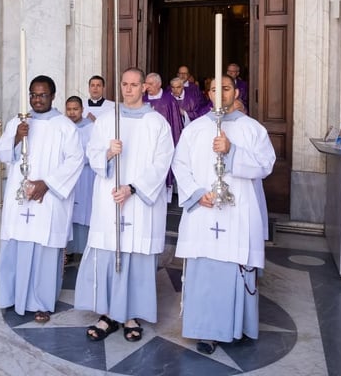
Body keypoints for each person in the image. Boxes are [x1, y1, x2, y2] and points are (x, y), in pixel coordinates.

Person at [172, 75, 276, 355]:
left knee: (233, 267)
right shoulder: (194, 129)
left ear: (236, 91)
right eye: (216, 89)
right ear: (208, 93)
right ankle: (203, 329)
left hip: (238, 213)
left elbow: (265, 165)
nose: (221, 93)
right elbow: (180, 164)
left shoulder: (252, 129)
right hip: (203, 212)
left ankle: (236, 326)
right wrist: (195, 193)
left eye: (226, 88)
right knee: (204, 269)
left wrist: (232, 152)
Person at [74, 67, 174, 343]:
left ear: (144, 87)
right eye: (124, 84)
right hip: (109, 197)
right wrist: (107, 152)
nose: (128, 89)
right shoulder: (107, 120)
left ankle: (132, 314)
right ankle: (107, 313)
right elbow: (92, 152)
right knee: (108, 253)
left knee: (135, 256)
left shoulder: (157, 123)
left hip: (139, 202)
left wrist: (132, 188)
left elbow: (162, 162)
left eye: (134, 84)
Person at [0, 75, 84, 323]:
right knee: (16, 245)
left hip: (49, 199)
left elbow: (75, 161)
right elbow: (1, 152)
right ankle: (11, 296)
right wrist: (16, 138)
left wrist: (46, 184)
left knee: (44, 250)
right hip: (19, 197)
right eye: (33, 94)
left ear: (53, 96)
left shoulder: (64, 126)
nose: (37, 99)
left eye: (42, 95)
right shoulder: (19, 122)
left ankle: (41, 302)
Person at [142, 72, 183, 202]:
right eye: (146, 83)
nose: (147, 86)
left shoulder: (169, 100)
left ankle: (165, 200)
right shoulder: (141, 100)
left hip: (164, 143)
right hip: (145, 142)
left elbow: (176, 123)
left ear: (159, 84)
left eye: (151, 84)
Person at [64, 96, 94, 264]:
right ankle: (67, 250)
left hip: (85, 175)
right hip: (68, 177)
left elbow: (94, 150)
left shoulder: (91, 128)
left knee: (84, 212)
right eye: (69, 109)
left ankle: (84, 250)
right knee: (68, 212)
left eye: (75, 109)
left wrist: (78, 159)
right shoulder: (62, 127)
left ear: (82, 109)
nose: (72, 112)